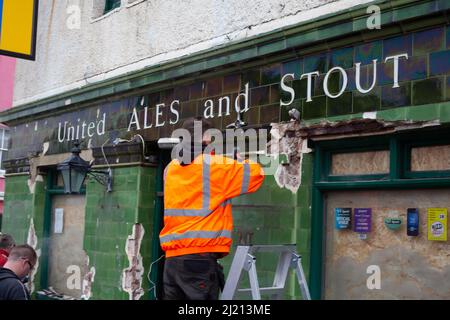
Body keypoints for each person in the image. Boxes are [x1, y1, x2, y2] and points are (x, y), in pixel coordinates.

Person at [159, 117, 265, 300]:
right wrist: (240, 160)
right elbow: (256, 175)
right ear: (207, 138)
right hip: (198, 261)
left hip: (171, 261)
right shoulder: (216, 165)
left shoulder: (170, 168)